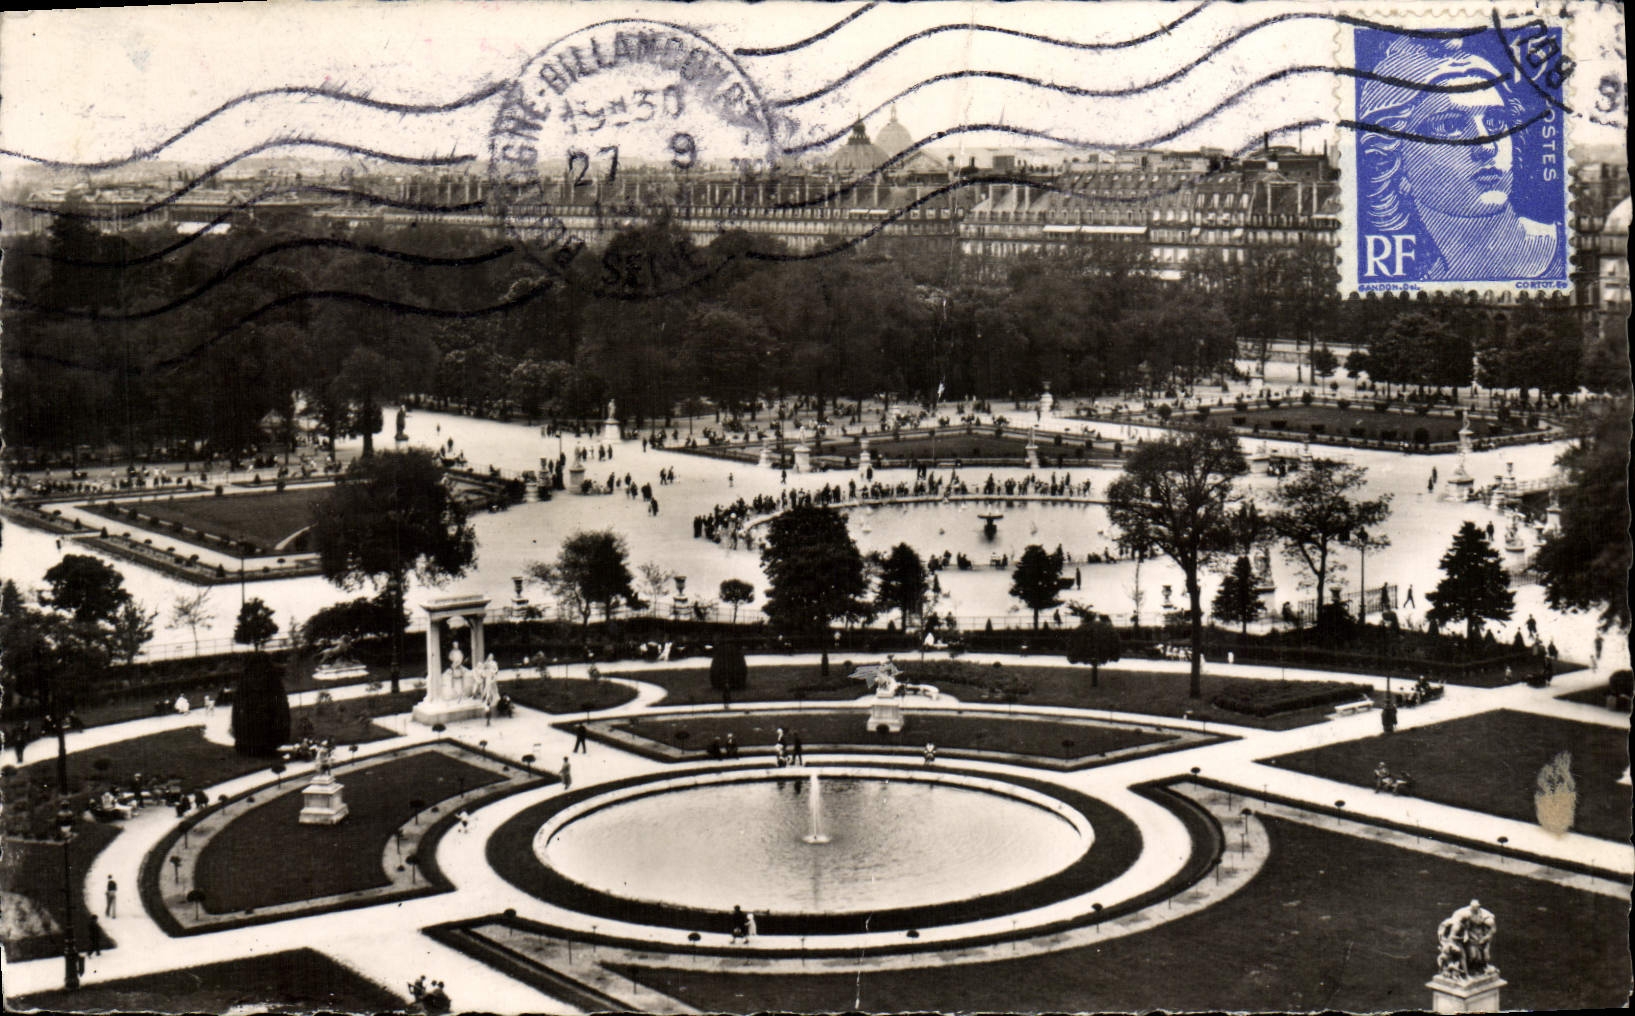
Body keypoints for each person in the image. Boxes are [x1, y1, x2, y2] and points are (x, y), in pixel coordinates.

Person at [1357, 36, 1564, 283]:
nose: (1486, 145)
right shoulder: (1426, 283)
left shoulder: (1566, 252)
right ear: (1392, 161)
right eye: (1450, 125)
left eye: (1495, 122)